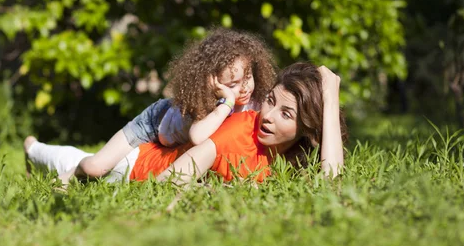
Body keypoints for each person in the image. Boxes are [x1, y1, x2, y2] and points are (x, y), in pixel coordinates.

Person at [24, 62, 347, 184]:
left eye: (286, 114)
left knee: (82, 160)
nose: (269, 116)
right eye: (271, 101)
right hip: (138, 168)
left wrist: (331, 98)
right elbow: (169, 181)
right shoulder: (242, 130)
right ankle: (33, 148)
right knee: (78, 163)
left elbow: (332, 181)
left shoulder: (295, 155)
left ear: (309, 130)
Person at [28, 28, 277, 184]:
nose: (244, 88)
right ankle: (69, 174)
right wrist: (226, 102)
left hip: (168, 146)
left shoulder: (251, 99)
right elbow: (198, 136)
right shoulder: (203, 103)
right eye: (233, 83)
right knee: (95, 167)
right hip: (152, 124)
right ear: (212, 85)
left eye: (248, 77)